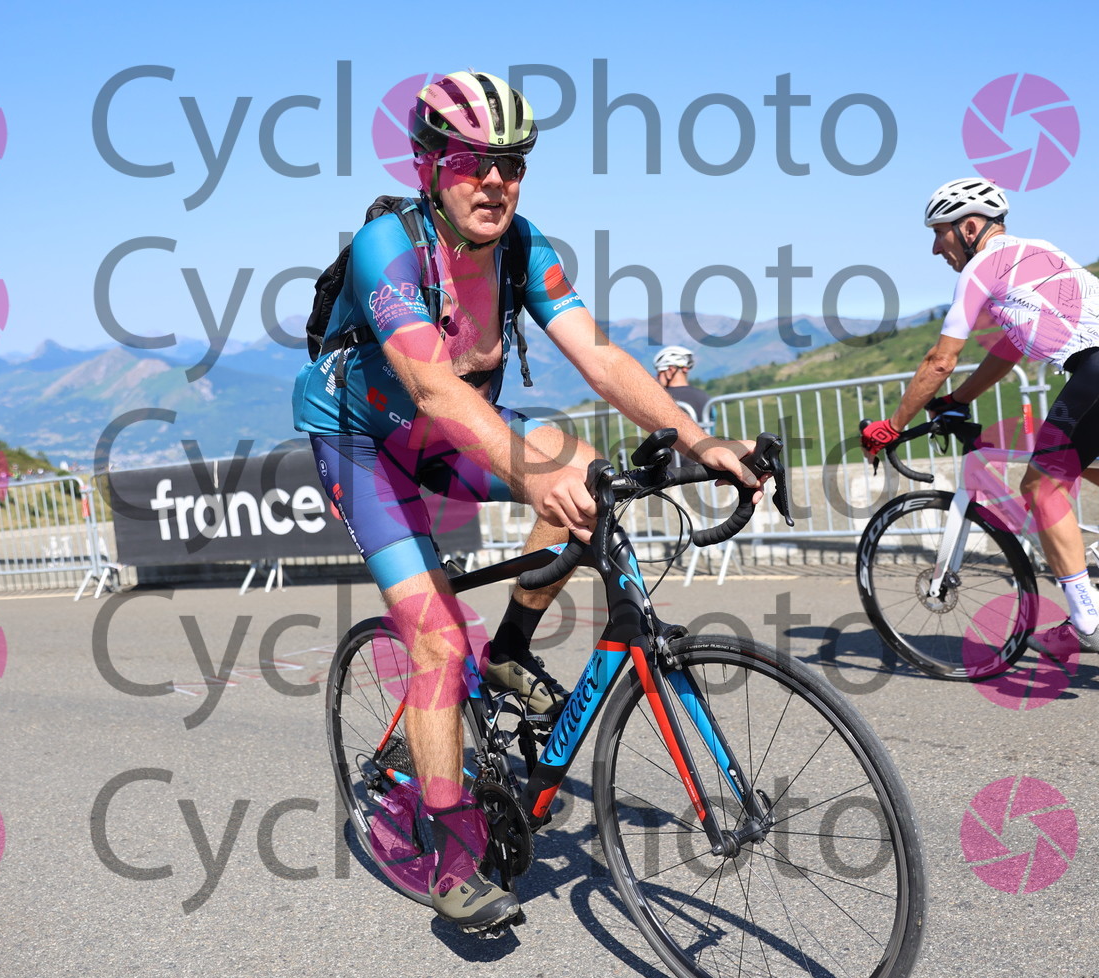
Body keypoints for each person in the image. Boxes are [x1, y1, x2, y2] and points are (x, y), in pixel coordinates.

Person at [292, 72, 758, 931]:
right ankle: (450, 850)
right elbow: (433, 387)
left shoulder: (522, 246)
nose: (494, 181)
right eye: (471, 162)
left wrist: (700, 441)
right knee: (436, 641)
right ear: (428, 167)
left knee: (585, 474)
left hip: (444, 429)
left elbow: (600, 357)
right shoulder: (387, 249)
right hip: (362, 441)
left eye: (511, 163)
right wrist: (529, 471)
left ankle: (507, 648)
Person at [859, 177, 1099, 659]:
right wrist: (958, 399)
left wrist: (892, 426)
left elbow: (939, 361)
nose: (935, 248)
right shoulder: (1038, 251)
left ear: (969, 228)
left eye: (940, 233)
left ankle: (1085, 623)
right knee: (1070, 457)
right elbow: (1009, 348)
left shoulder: (978, 271)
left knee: (1041, 485)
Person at [653, 345, 714, 431]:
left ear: (670, 370)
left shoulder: (662, 397)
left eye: (659, 373)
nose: (657, 377)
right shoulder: (704, 396)